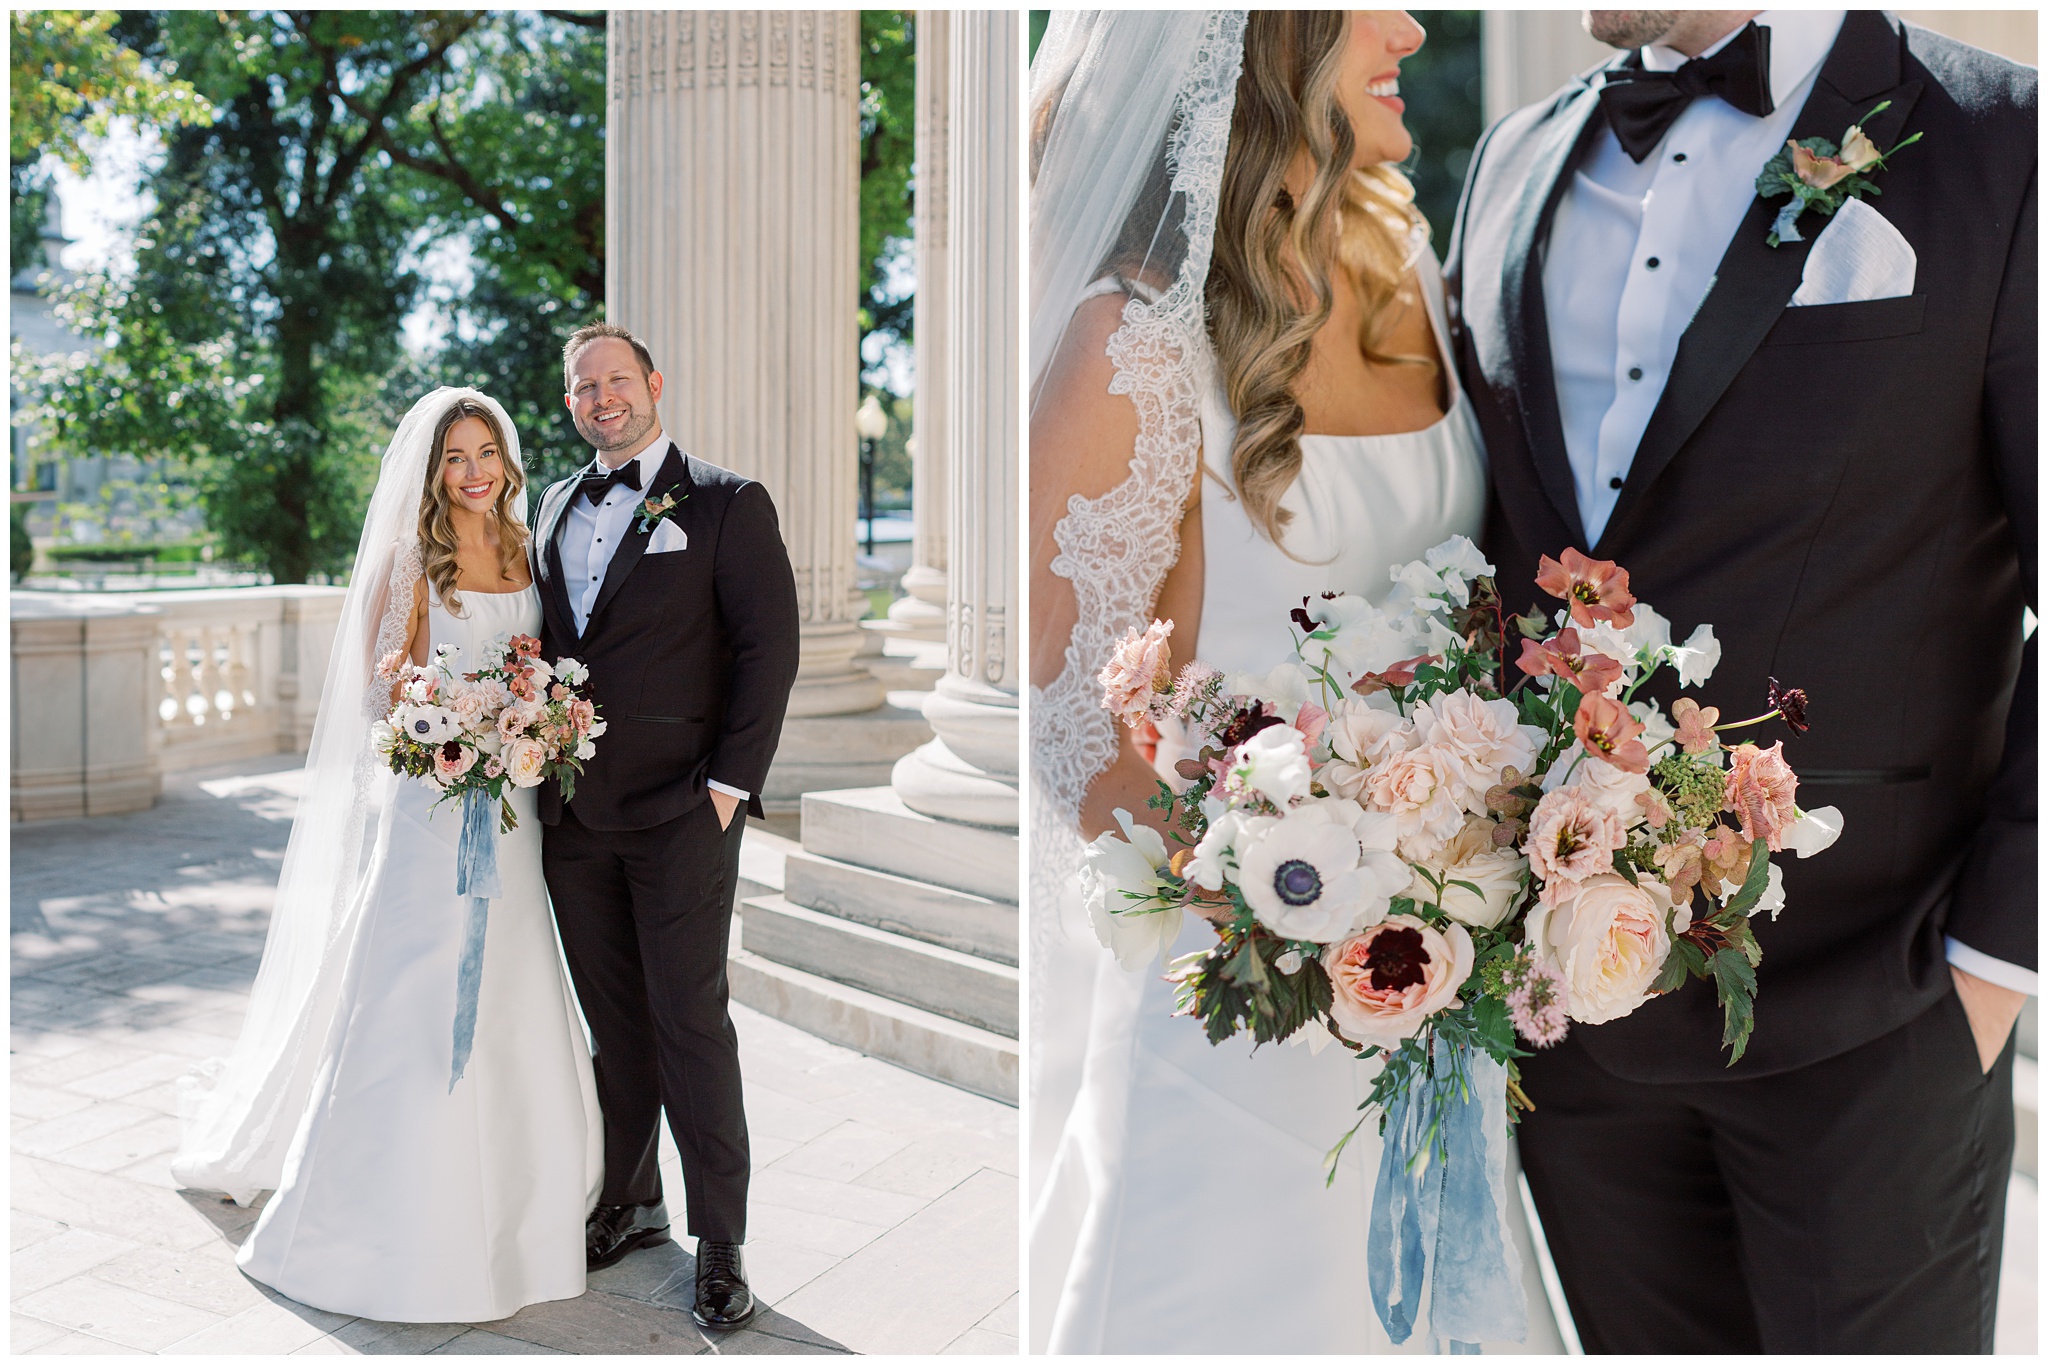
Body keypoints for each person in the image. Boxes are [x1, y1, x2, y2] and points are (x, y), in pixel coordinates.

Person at [1445, 9, 2034, 1351]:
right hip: (1574, 1040)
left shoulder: (2007, 140)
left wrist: (1992, 971)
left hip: (1877, 1019)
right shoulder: (1507, 165)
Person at [1028, 12, 1560, 1353]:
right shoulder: (1132, 343)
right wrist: (1309, 893)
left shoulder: (1411, 267)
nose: (1414, 24)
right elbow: (1070, 729)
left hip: (1441, 997)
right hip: (1243, 1023)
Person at [172, 390, 603, 1323]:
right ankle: (385, 1212)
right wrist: (459, 721)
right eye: (456, 456)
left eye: (487, 451)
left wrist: (527, 718)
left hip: (513, 805)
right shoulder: (415, 560)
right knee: (416, 985)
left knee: (514, 985)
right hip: (431, 811)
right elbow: (380, 693)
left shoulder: (529, 551)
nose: (476, 470)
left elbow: (537, 661)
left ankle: (520, 1208)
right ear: (431, 470)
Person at [530, 323, 801, 1332]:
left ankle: (720, 1241)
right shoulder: (553, 502)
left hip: (686, 808)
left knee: (691, 1023)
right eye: (581, 387)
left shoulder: (727, 502)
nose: (601, 397)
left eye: (615, 379)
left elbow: (767, 647)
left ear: (652, 383)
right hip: (571, 814)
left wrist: (730, 783)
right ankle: (629, 1198)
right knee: (617, 1027)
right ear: (569, 405)